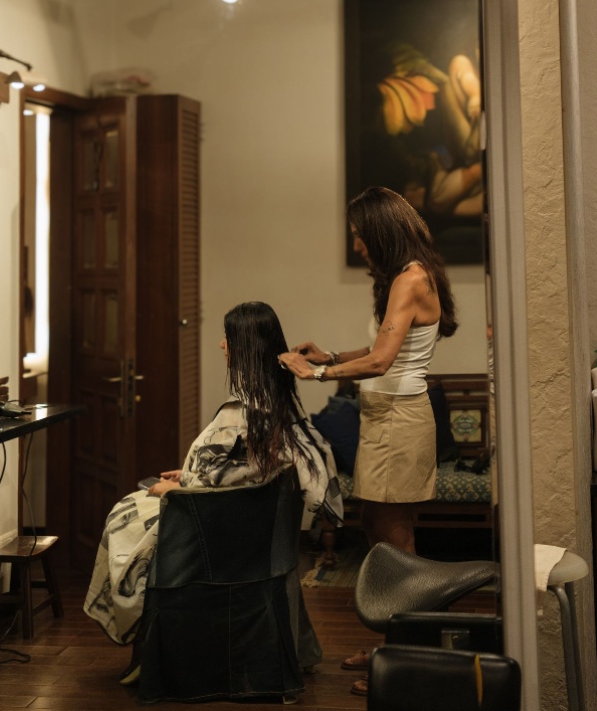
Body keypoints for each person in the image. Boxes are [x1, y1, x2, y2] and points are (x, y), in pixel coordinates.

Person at [84, 301, 343, 680]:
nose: (221, 345)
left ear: (242, 347)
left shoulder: (245, 410)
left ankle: (148, 643)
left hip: (222, 530)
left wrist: (175, 488)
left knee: (125, 515)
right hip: (255, 525)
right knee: (138, 504)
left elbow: (233, 478)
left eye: (228, 338)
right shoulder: (279, 398)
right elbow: (249, 470)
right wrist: (189, 472)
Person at [278, 186, 457, 696]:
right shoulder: (402, 277)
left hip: (401, 418)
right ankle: (393, 643)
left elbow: (380, 364)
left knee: (396, 540)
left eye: (359, 234)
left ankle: (408, 652)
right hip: (381, 415)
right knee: (376, 529)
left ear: (379, 232)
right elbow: (381, 348)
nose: (356, 243)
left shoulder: (412, 279)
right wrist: (327, 354)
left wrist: (313, 374)